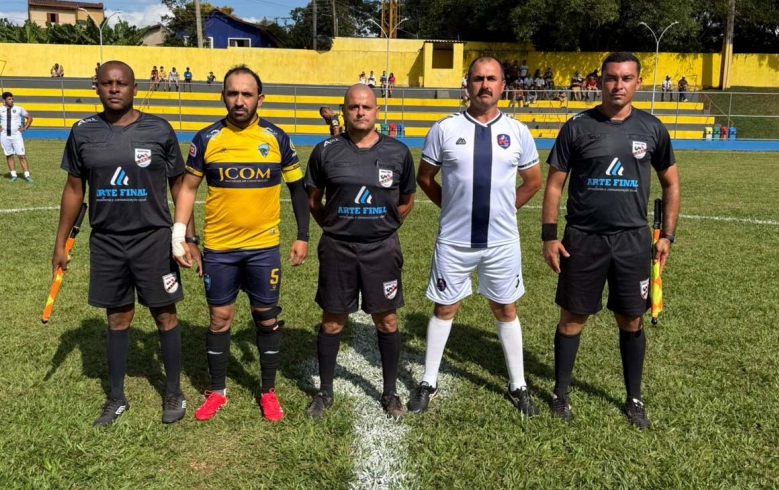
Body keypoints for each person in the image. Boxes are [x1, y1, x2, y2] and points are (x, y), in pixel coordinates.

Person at [51, 60, 201, 426]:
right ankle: (116, 398)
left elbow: (179, 187)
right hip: (107, 243)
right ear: (96, 88)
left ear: (135, 88)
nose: (114, 89)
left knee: (164, 314)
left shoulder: (159, 130)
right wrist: (60, 243)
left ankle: (173, 392)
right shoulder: (83, 132)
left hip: (153, 240)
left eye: (121, 83)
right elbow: (74, 189)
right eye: (106, 83)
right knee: (117, 317)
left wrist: (188, 237)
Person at [541, 51, 680, 429]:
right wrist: (549, 236)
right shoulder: (577, 127)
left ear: (638, 83)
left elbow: (671, 183)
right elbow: (555, 185)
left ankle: (634, 398)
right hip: (582, 239)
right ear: (599, 82)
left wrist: (667, 235)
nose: (618, 85)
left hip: (633, 243)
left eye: (626, 78)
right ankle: (561, 394)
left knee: (631, 320)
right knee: (572, 318)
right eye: (611, 78)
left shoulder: (652, 129)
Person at [172, 65, 310, 423]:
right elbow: (187, 189)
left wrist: (302, 235)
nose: (239, 100)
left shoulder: (277, 138)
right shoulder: (206, 139)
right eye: (232, 93)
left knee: (266, 320)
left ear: (259, 99)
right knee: (220, 319)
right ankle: (217, 391)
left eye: (246, 94)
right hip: (219, 250)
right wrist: (185, 236)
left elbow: (298, 189)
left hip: (264, 250)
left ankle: (267, 391)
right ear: (223, 96)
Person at [407, 57, 543, 417]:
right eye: (478, 78)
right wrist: (451, 208)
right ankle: (428, 381)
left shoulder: (517, 131)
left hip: (501, 243)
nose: (485, 85)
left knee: (505, 308)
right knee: (445, 307)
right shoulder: (444, 129)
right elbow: (425, 178)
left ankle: (519, 385)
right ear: (467, 84)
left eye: (492, 79)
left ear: (503, 86)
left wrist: (503, 210)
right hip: (454, 242)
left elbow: (533, 183)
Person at [304, 84, 416, 420]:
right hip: (338, 249)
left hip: (381, 250)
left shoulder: (398, 152)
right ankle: (324, 392)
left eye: (366, 106)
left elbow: (406, 201)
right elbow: (314, 199)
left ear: (377, 110)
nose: (360, 112)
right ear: (344, 111)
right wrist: (336, 226)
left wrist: (384, 225)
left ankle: (390, 392)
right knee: (333, 320)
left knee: (387, 320)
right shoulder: (325, 151)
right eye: (353, 107)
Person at [0, 92, 33, 182]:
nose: (11, 101)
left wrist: (25, 127)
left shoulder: (19, 109)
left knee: (21, 155)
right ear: (4, 100)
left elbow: (30, 118)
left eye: (12, 99)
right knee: (9, 155)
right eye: (9, 99)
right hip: (4, 135)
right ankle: (13, 175)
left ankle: (27, 175)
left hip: (16, 135)